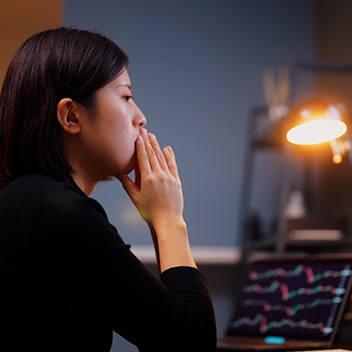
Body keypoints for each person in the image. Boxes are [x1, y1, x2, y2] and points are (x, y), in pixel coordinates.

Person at [0, 27, 216, 351]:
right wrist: (169, 221)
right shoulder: (61, 214)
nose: (140, 117)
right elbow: (191, 344)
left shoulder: (22, 200)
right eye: (126, 97)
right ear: (71, 116)